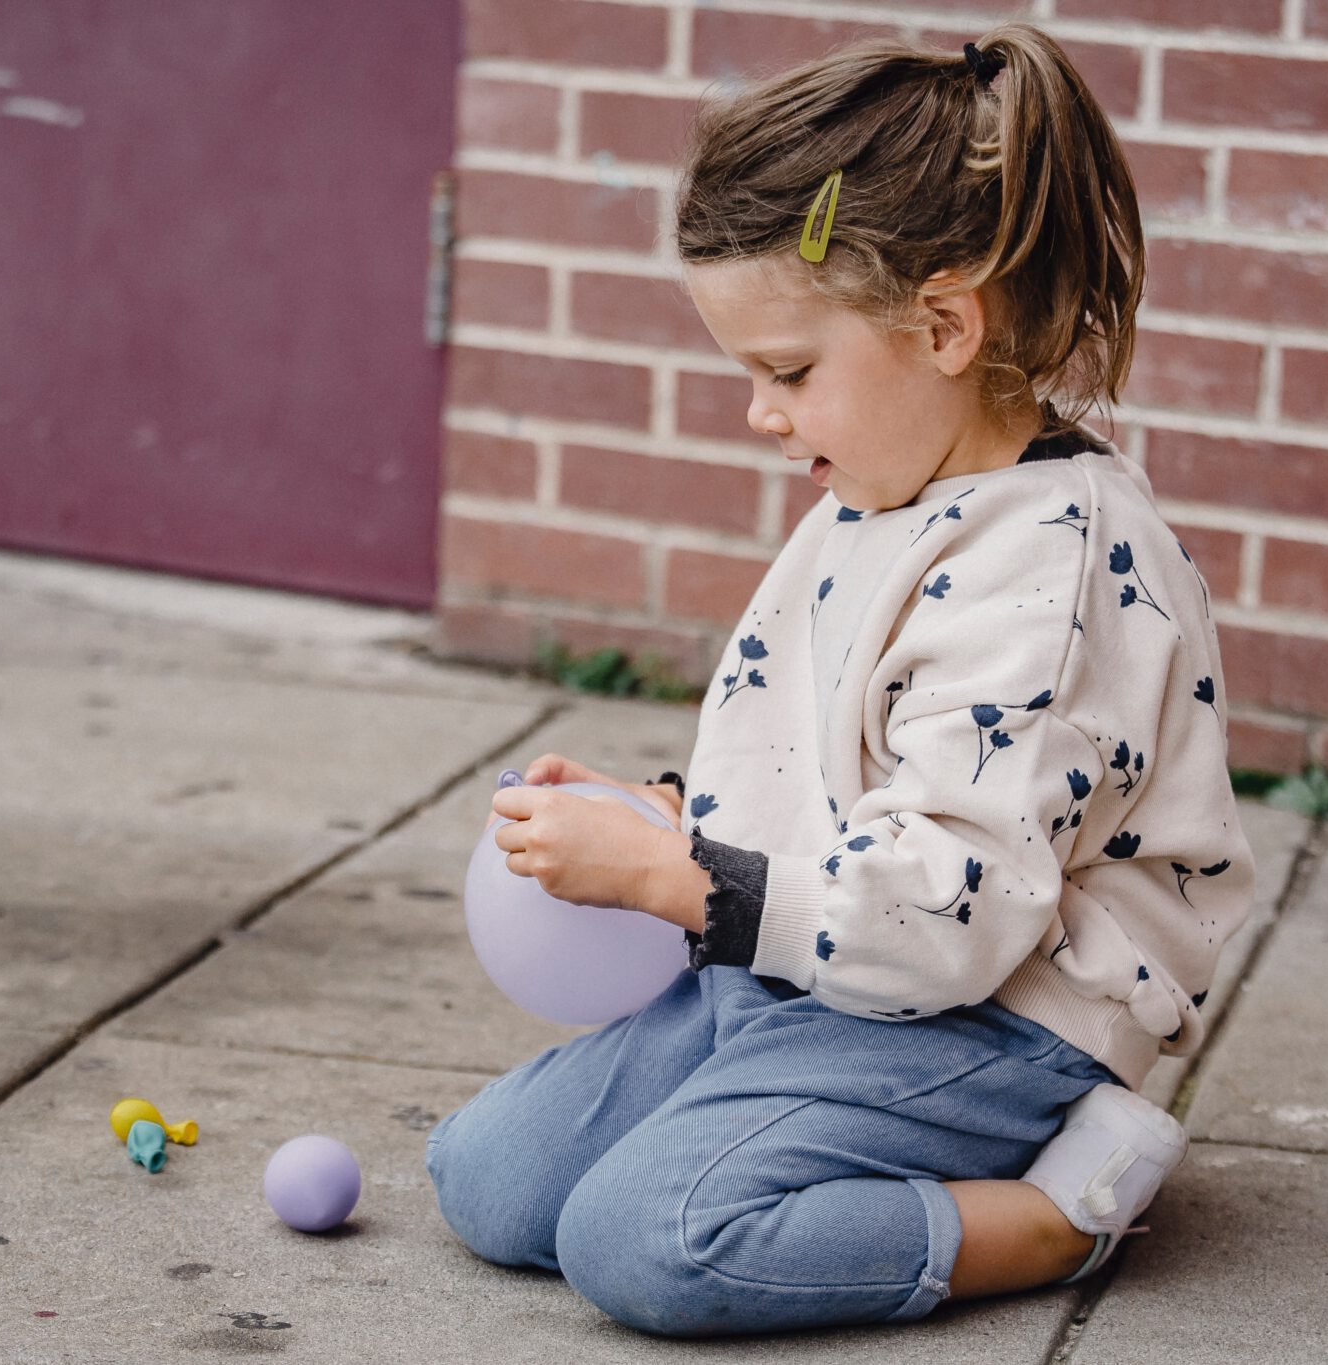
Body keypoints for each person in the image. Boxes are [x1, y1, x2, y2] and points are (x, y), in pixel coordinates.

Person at [426, 23, 1255, 1338]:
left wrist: (676, 885)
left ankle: (1053, 1209)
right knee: (488, 1175)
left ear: (940, 324)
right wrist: (677, 812)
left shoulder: (1049, 566)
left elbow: (960, 914)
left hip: (998, 1009)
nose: (761, 412)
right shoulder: (888, 479)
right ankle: (822, 1124)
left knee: (647, 1235)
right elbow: (840, 746)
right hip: (825, 971)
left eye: (788, 371)